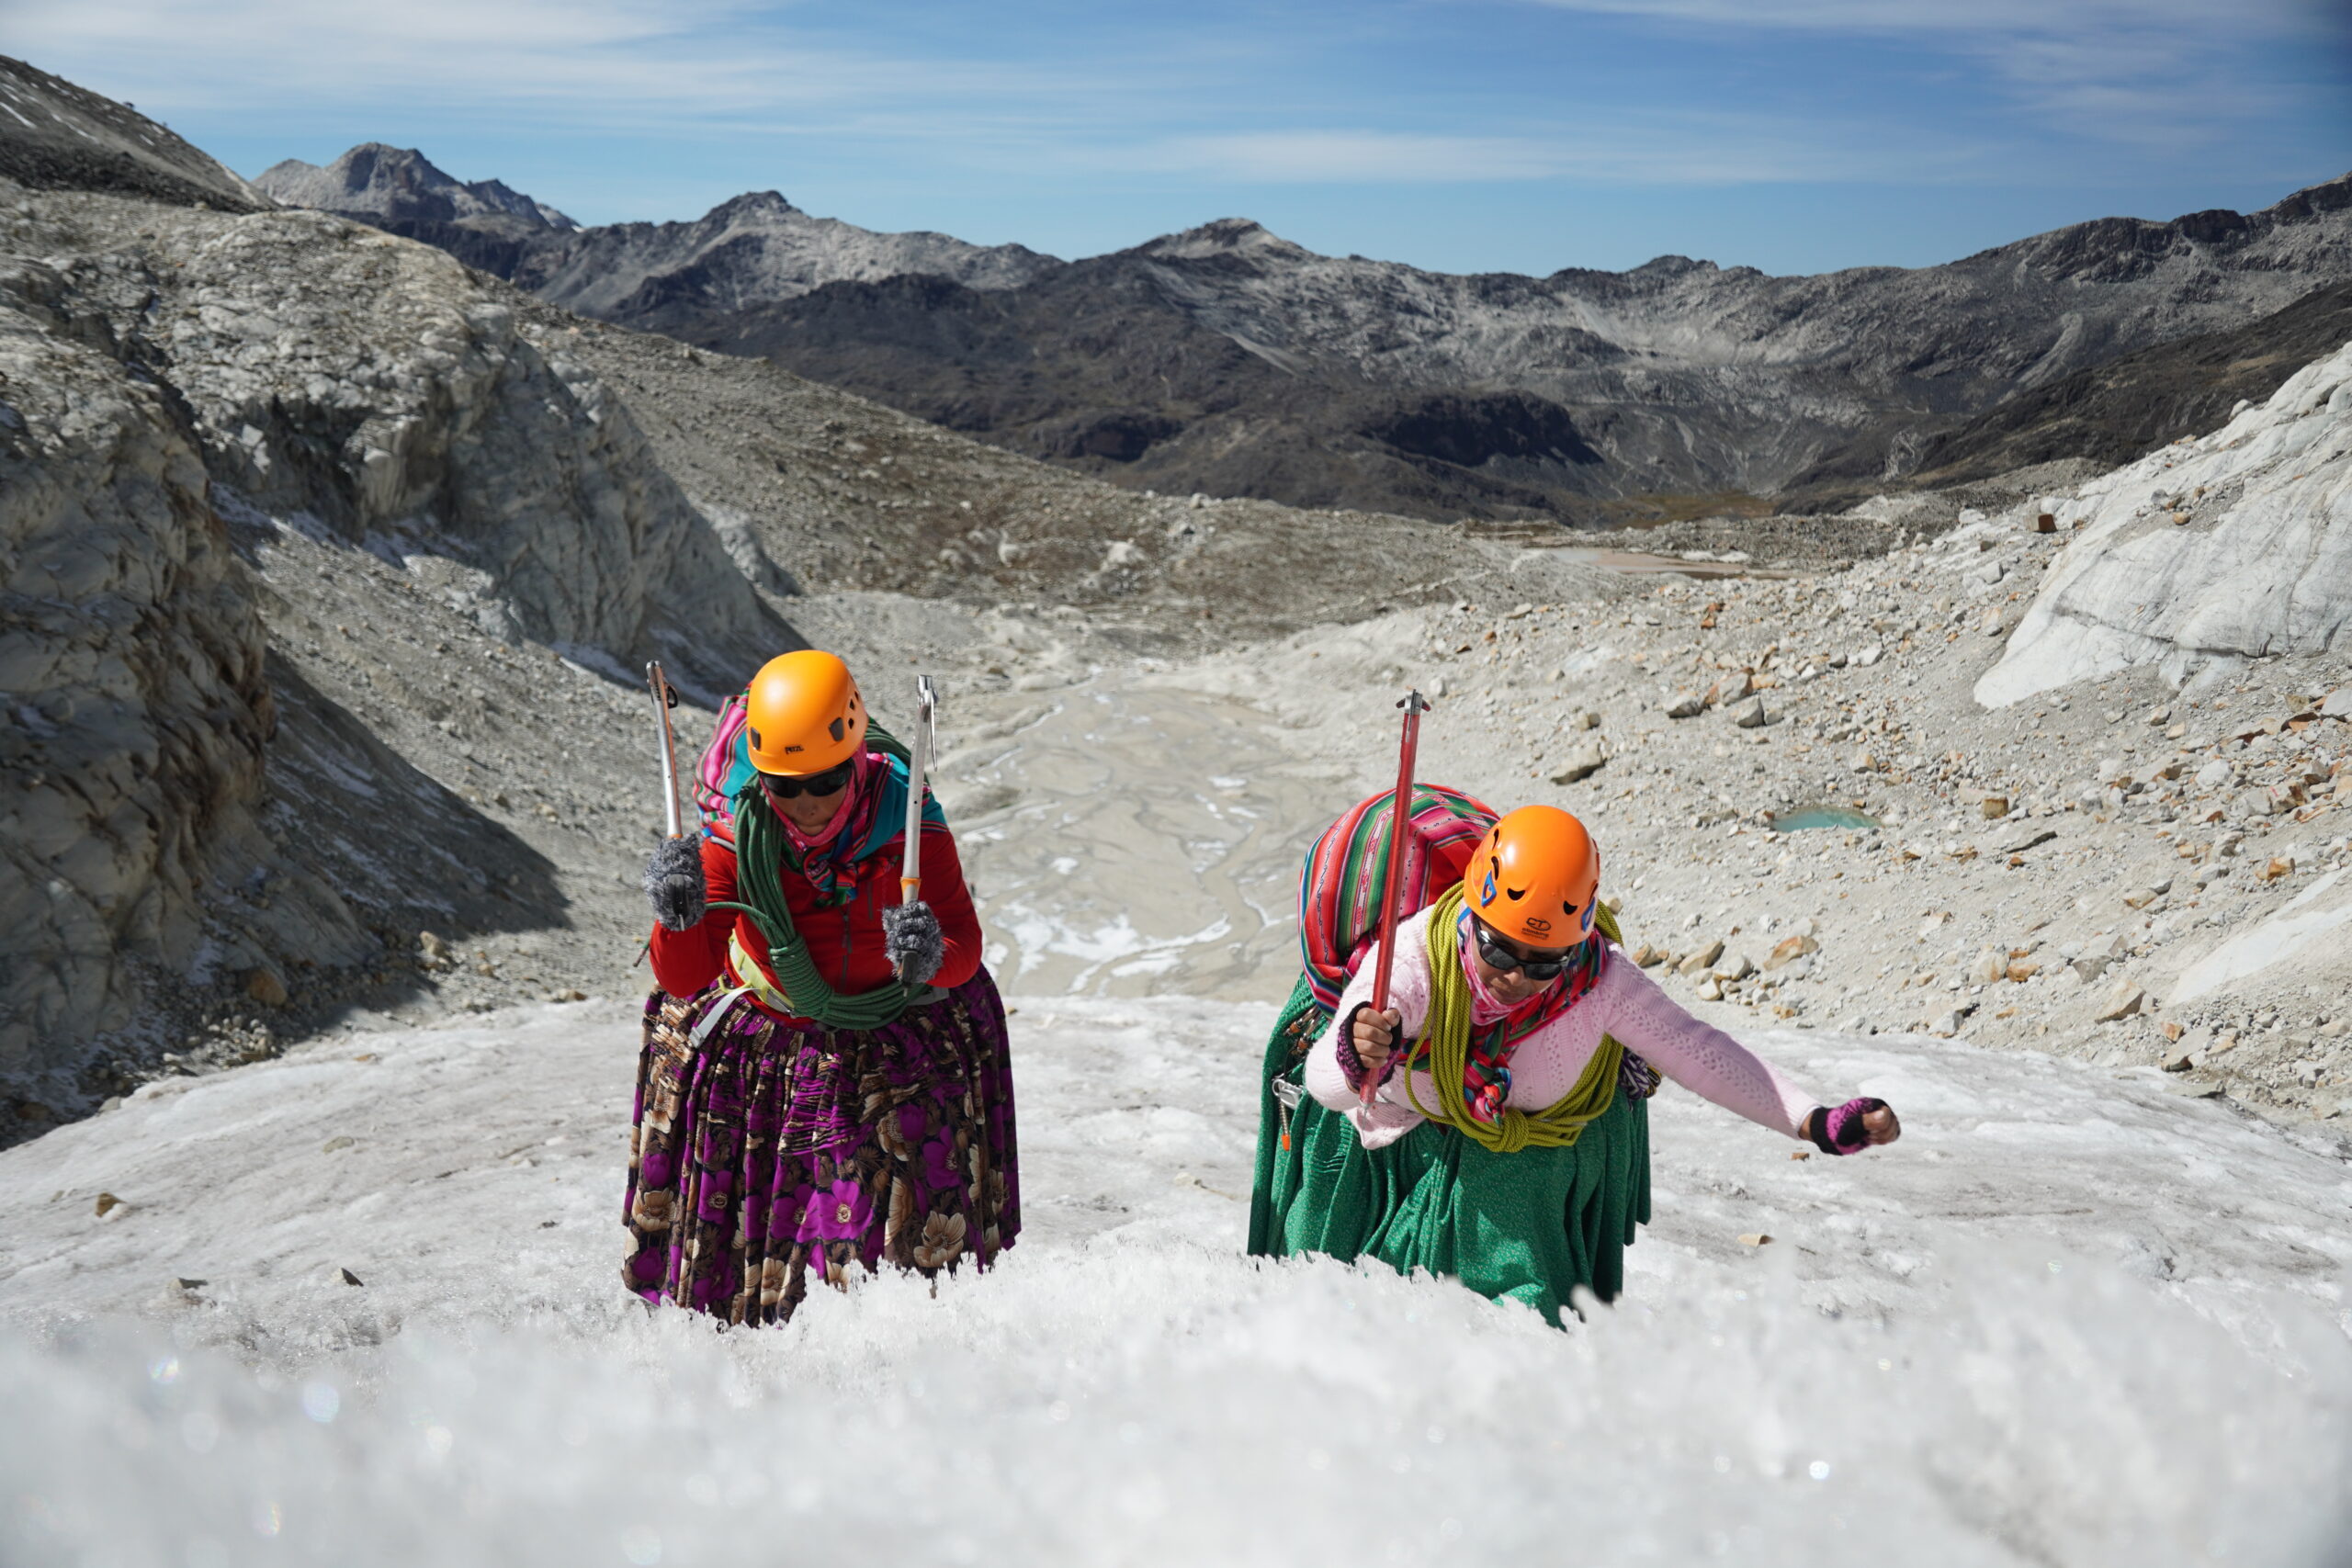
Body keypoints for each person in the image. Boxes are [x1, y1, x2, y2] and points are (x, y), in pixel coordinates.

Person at [1256, 803, 1895, 1325]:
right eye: (1498, 949)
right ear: (1472, 916)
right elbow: (1326, 1086)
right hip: (1394, 1138)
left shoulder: (1600, 980)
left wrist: (1812, 1119)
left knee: (1521, 1310)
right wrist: (1354, 1055)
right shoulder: (1415, 959)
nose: (1514, 978)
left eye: (1543, 962)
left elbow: (1699, 1051)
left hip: (1526, 1148)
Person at [621, 649, 1018, 1325]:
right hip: (777, 1040)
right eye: (784, 785)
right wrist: (676, 910)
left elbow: (964, 950)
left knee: (886, 1251)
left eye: (826, 780)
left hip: (890, 1036)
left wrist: (927, 956)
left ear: (858, 758)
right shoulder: (734, 838)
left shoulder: (911, 824)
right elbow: (685, 973)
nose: (806, 804)